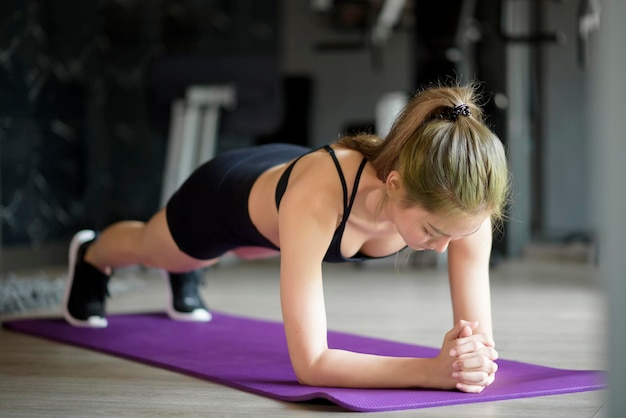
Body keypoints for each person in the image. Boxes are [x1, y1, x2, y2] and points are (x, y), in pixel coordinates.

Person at [63, 83, 509, 393]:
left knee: (243, 248)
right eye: (432, 232)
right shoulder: (318, 198)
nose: (445, 247)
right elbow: (311, 365)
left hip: (287, 200)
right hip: (226, 196)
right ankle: (90, 255)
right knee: (158, 250)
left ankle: (193, 268)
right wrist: (431, 372)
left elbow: (480, 346)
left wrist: (472, 359)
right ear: (393, 185)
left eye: (459, 234)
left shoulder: (463, 205)